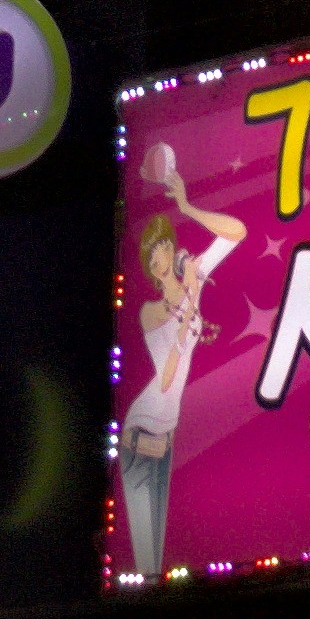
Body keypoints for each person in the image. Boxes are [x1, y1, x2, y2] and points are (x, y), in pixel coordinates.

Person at [116, 149, 247, 582]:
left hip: (165, 436)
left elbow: (237, 232)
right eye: (152, 254)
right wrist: (189, 307)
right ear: (150, 269)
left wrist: (188, 208)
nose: (161, 255)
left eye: (164, 246)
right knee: (146, 571)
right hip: (140, 434)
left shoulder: (193, 277)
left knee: (157, 568)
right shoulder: (150, 312)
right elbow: (167, 377)